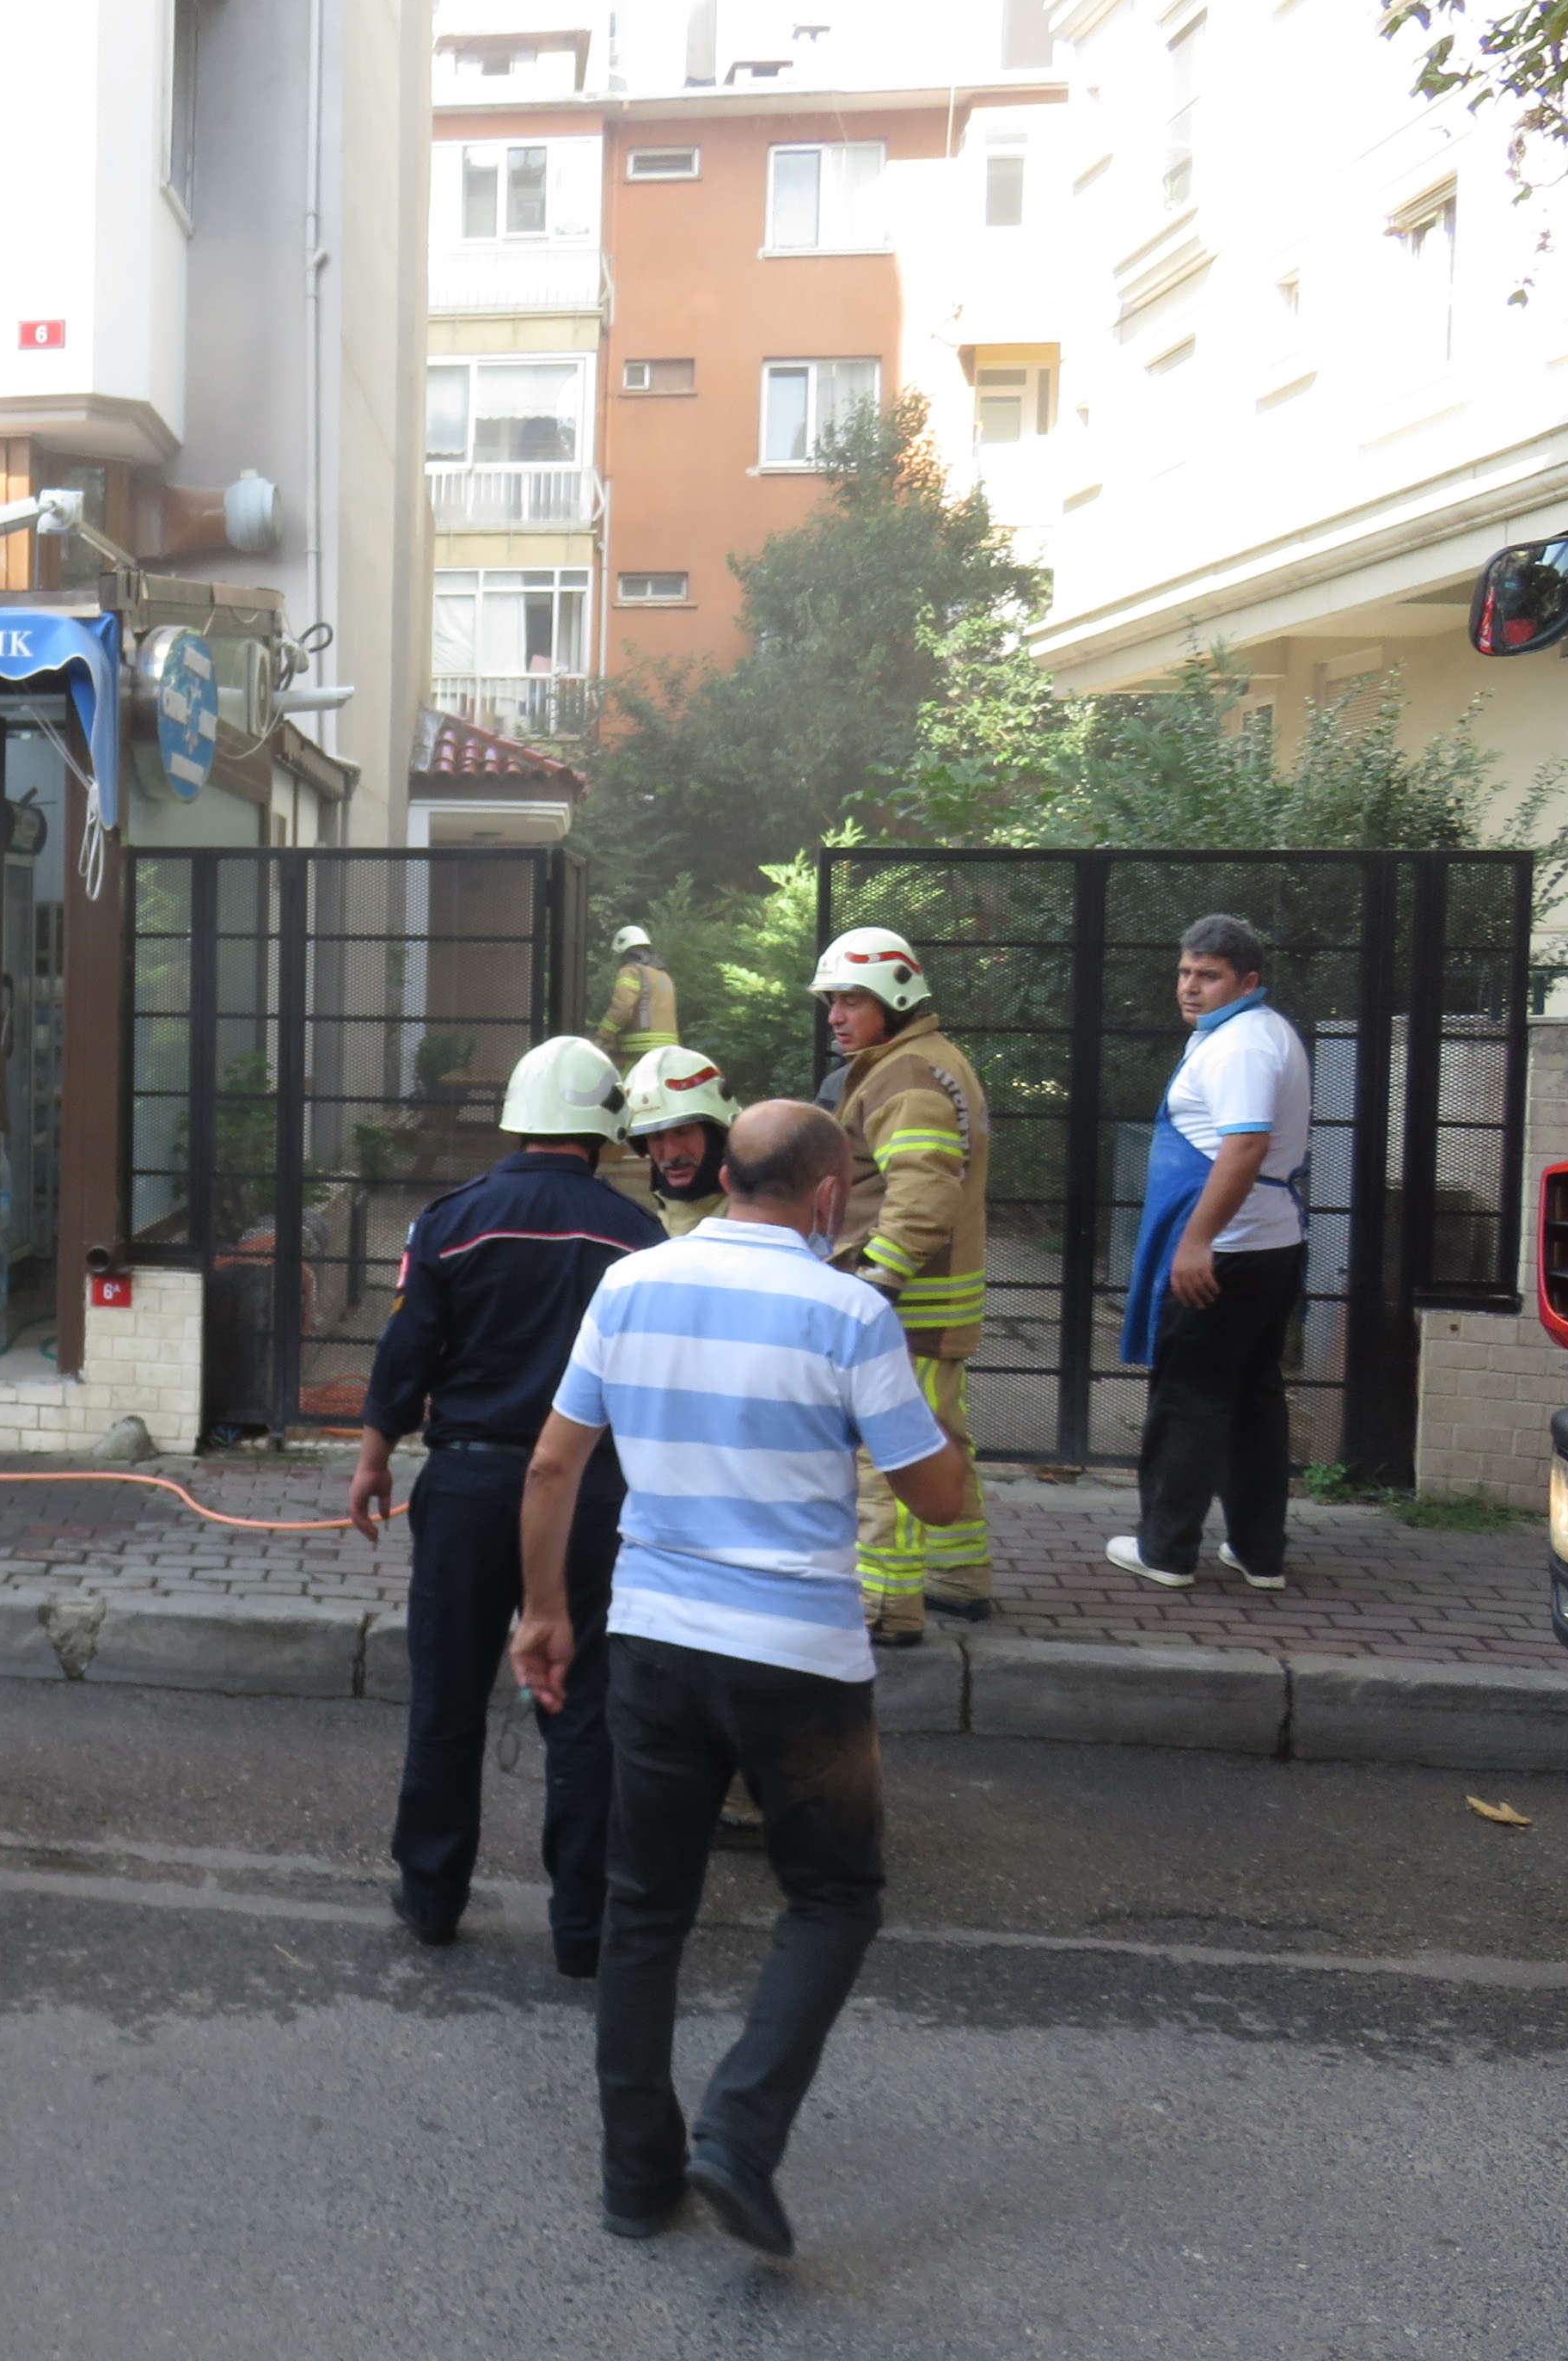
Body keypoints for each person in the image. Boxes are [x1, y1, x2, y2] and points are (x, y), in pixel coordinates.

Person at [511, 1101, 971, 2259]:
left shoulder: (633, 1286)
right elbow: (937, 1497)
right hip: (800, 1661)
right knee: (832, 1896)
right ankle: (740, 2129)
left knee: (646, 1909)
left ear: (723, 1173)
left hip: (656, 1644)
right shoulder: (848, 1309)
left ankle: (634, 2180)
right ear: (828, 1197)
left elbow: (556, 1462)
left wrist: (550, 1612)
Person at [346, 1035, 659, 1972]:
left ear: (518, 1118)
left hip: (471, 1484)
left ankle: (433, 1896)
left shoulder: (450, 1221)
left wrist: (372, 1457)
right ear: (605, 1132)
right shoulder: (640, 1239)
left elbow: (407, 1356)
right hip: (592, 1493)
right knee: (587, 1704)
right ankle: (583, 1930)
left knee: (447, 1693)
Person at [1110, 914, 1313, 1591]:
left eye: (1209, 976)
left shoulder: (1243, 1047)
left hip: (1227, 1251)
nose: (1190, 988)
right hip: (1267, 1244)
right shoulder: (1258, 1032)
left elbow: (1246, 1145)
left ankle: (1165, 1550)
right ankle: (1260, 1553)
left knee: (1188, 1399)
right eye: (1185, 972)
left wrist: (1197, 1242)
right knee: (1255, 1399)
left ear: (1247, 981)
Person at [812, 927, 994, 1647]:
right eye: (831, 1000)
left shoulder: (906, 1075)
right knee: (940, 1439)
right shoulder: (923, 1061)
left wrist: (876, 1280)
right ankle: (960, 1577)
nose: (835, 1015)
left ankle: (885, 1606)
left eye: (850, 999)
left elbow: (921, 1190)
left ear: (893, 996)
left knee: (886, 1454)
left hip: (905, 1302)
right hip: (933, 1301)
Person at [622, 1044, 734, 1236]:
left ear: (717, 1135)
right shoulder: (635, 1233)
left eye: (683, 1132)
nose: (671, 1154)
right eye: (655, 1137)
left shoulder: (760, 1224)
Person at [593, 924, 679, 1067]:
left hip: (639, 1052)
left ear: (626, 952)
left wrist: (602, 1037)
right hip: (670, 1051)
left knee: (624, 1088)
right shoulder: (664, 976)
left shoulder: (631, 971)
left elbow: (622, 1008)